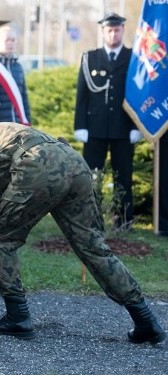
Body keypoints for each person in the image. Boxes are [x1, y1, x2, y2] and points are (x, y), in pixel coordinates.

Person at [0, 121, 166, 345]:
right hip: (73, 164)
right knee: (92, 246)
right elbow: (8, 184)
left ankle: (17, 317)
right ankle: (145, 320)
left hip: (38, 167)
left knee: (1, 240)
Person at [74, 13, 142, 230]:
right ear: (103, 31)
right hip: (94, 128)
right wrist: (80, 125)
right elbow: (82, 96)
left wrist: (136, 126)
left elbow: (137, 94)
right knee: (92, 177)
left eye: (117, 29)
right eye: (109, 30)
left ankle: (123, 221)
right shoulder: (90, 58)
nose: (113, 33)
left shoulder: (134, 58)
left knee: (123, 176)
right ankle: (92, 219)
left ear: (123, 30)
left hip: (123, 128)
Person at [0, 25, 31, 125]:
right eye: (7, 40)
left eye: (13, 40)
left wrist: (27, 121)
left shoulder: (17, 67)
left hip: (17, 123)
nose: (11, 43)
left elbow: (24, 98)